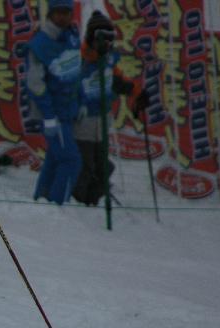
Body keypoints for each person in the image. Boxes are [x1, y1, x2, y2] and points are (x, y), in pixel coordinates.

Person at [73, 10, 150, 206]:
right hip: (83, 122)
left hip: (102, 119)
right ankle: (78, 202)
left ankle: (92, 200)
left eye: (110, 39)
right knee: (85, 164)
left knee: (103, 165)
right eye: (102, 38)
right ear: (91, 37)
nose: (106, 43)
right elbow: (66, 88)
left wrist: (137, 93)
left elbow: (119, 80)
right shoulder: (79, 60)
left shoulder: (108, 59)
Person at [26, 0, 82, 205]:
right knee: (70, 160)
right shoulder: (41, 42)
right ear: (50, 14)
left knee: (54, 157)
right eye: (58, 12)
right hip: (52, 113)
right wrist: (48, 115)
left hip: (68, 110)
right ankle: (59, 203)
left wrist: (81, 102)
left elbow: (76, 72)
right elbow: (35, 83)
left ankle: (42, 200)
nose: (62, 17)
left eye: (66, 12)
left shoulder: (72, 36)